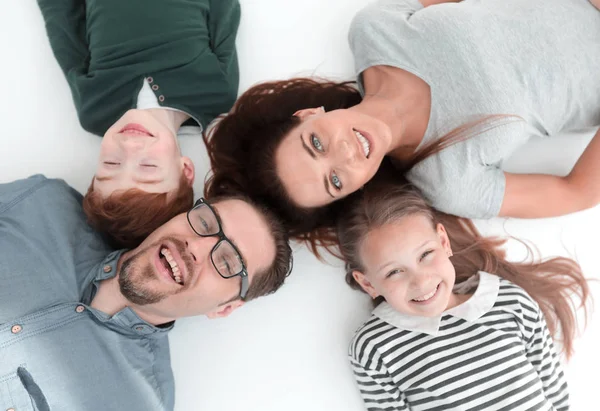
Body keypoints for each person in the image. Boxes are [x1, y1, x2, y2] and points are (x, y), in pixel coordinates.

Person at [204, 0, 600, 250]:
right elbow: (575, 191)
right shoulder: (449, 181)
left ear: (309, 115)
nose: (344, 155)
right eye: (336, 181)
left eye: (317, 145)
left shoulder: (374, 30)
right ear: (352, 193)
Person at [0, 174, 292, 411]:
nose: (196, 246)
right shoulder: (46, 204)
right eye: (206, 222)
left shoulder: (143, 402)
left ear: (224, 308)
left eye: (227, 261)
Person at [335, 180, 590, 410]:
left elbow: (555, 391)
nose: (421, 281)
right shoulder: (375, 346)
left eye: (425, 255)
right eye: (394, 272)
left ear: (443, 242)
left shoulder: (511, 302)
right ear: (368, 283)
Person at [37, 0, 240, 248]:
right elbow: (225, 13)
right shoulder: (216, 94)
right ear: (185, 171)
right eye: (148, 166)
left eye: (111, 163)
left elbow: (67, 31)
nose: (130, 146)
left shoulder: (94, 109)